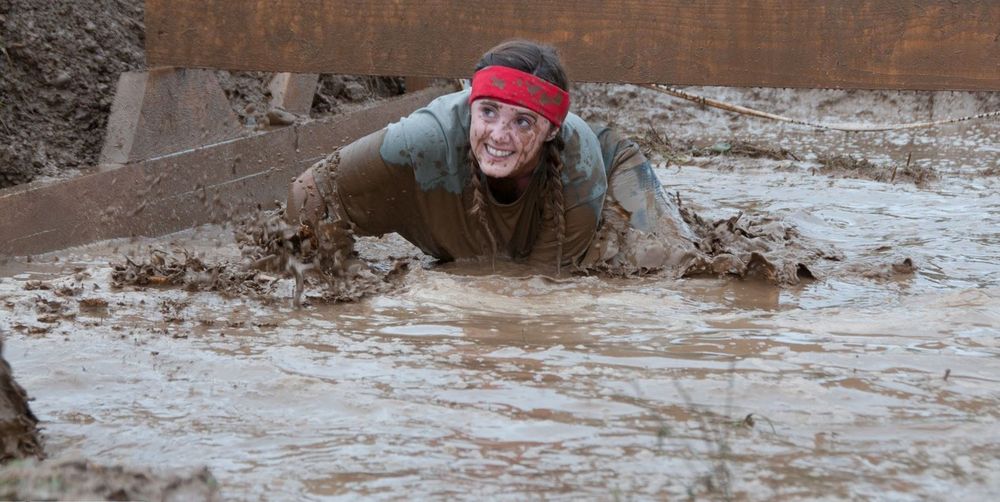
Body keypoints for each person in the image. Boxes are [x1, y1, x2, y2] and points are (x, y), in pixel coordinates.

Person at [285, 40, 698, 276]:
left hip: (605, 173)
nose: (499, 136)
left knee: (665, 267)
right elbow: (308, 192)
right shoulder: (423, 140)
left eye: (522, 122)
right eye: (488, 113)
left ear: (551, 129)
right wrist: (347, 277)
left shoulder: (580, 165)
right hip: (460, 192)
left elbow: (537, 289)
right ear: (471, 107)